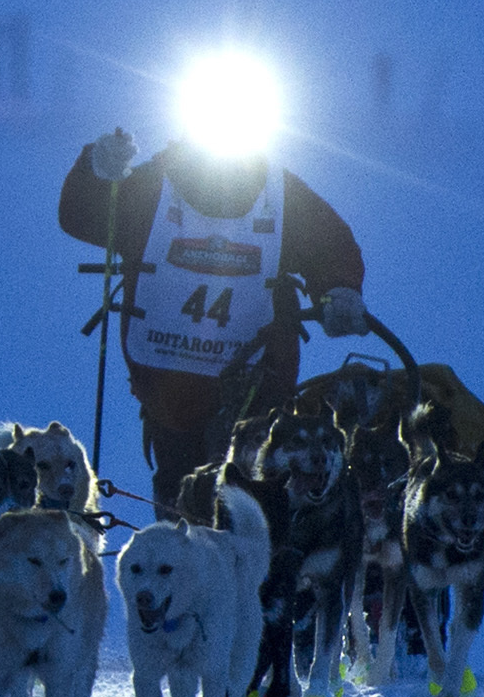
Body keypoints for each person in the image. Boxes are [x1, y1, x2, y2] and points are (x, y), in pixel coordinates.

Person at [60, 116, 370, 512]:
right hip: (172, 384)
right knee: (183, 498)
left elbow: (330, 244)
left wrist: (338, 289)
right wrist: (97, 169)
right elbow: (84, 215)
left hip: (257, 377)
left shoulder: (279, 195)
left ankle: (265, 562)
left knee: (259, 493)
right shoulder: (153, 188)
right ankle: (182, 555)